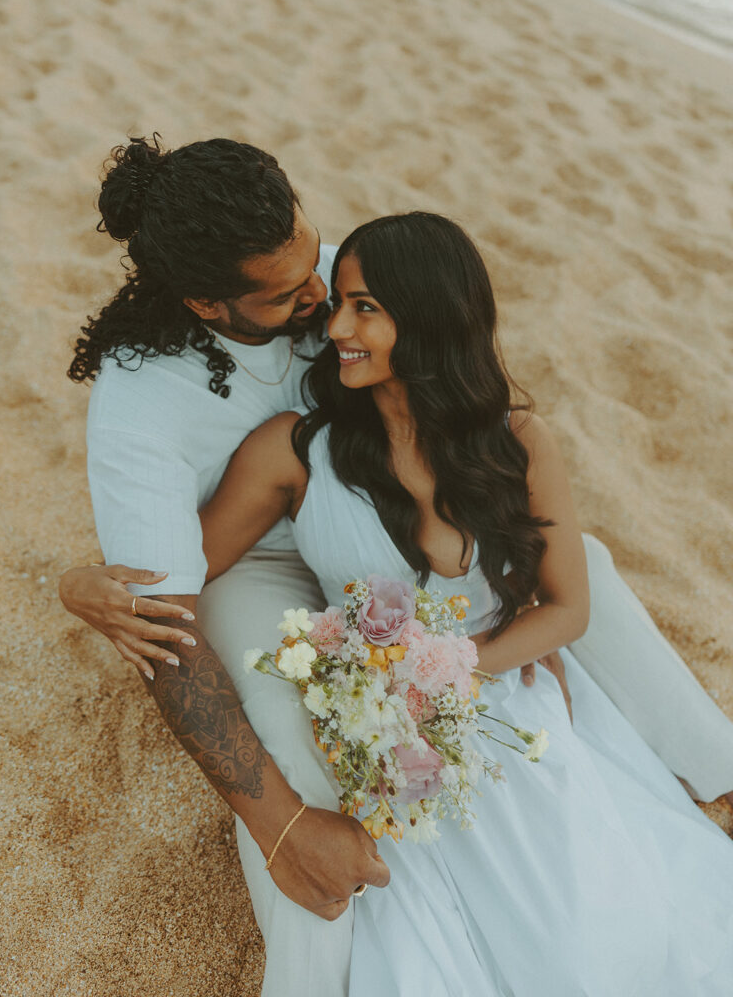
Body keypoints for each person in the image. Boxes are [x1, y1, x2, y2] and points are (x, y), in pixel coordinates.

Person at [59, 135, 733, 996]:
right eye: (289, 292)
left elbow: (460, 396)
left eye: (321, 268)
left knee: (582, 561)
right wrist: (276, 820)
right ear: (205, 302)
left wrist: (494, 623)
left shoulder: (343, 280)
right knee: (298, 770)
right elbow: (165, 617)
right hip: (246, 559)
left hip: (381, 515)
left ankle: (719, 770)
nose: (321, 300)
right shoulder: (138, 404)